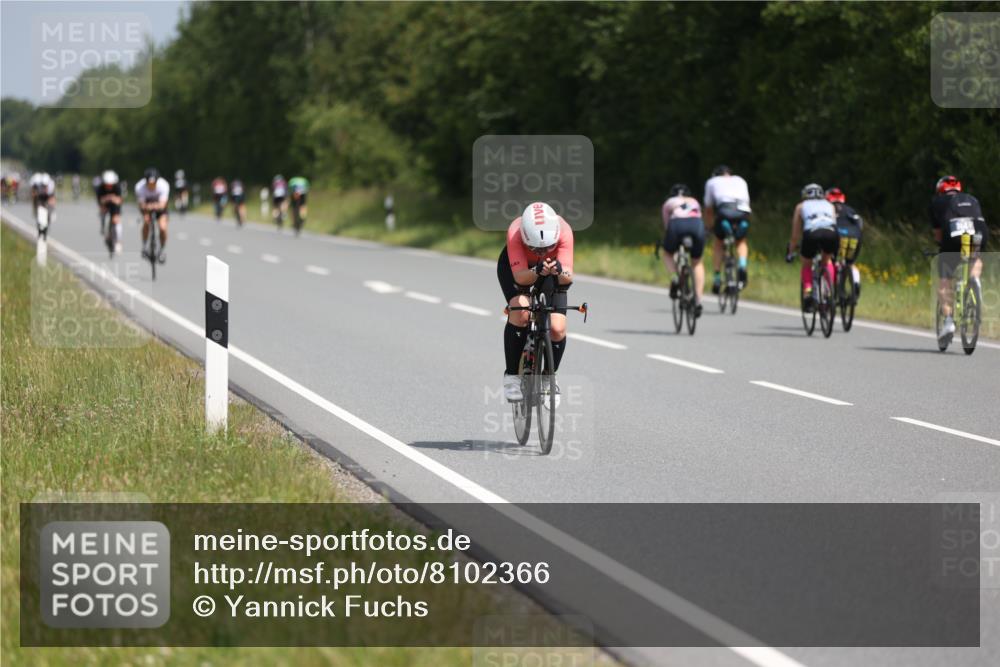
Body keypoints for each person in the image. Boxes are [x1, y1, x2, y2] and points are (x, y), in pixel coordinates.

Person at [498, 202, 574, 401]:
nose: (541, 252)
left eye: (549, 247)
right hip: (519, 269)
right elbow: (521, 278)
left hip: (551, 270)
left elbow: (567, 278)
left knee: (557, 327)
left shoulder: (564, 230)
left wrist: (558, 270)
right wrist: (536, 270)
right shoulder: (515, 231)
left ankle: (549, 377)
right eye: (534, 248)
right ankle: (512, 377)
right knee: (521, 310)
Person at [929, 175, 989, 345]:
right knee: (975, 258)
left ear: (940, 190)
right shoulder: (972, 199)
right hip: (978, 231)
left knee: (944, 280)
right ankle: (974, 279)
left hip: (955, 232)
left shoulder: (937, 202)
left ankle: (948, 321)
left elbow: (939, 236)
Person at [786, 183, 838, 312]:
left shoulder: (800, 206)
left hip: (812, 233)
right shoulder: (830, 205)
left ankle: (808, 291)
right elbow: (834, 224)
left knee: (806, 263)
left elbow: (795, 235)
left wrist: (790, 252)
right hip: (831, 233)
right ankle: (829, 291)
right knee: (827, 260)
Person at [703, 165, 752, 294]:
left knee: (719, 242)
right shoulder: (740, 180)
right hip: (742, 212)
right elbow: (747, 202)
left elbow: (708, 209)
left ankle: (718, 278)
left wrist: (709, 228)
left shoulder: (712, 182)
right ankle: (742, 266)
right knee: (741, 241)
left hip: (725, 211)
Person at [661, 183, 705, 316]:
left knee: (667, 254)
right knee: (696, 261)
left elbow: (667, 225)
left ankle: (675, 277)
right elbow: (699, 216)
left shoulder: (669, 202)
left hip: (676, 225)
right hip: (696, 225)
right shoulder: (694, 201)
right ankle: (698, 300)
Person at [826, 187, 863, 299]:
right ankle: (856, 282)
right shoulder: (850, 210)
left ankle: (829, 291)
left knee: (831, 262)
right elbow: (860, 223)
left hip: (838, 237)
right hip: (855, 237)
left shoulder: (828, 209)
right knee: (849, 263)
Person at [136, 168, 170, 263]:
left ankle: (162, 250)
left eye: (153, 183)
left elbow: (163, 205)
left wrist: (154, 206)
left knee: (163, 228)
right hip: (146, 208)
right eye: (149, 184)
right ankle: (144, 246)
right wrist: (149, 207)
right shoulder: (139, 187)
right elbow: (142, 205)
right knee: (146, 222)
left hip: (160, 209)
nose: (151, 185)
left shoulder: (164, 185)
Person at [97, 170, 124, 254]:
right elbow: (100, 201)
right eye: (107, 184)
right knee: (102, 212)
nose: (108, 186)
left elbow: (119, 200)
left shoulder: (117, 187)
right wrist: (106, 200)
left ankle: (118, 241)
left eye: (110, 185)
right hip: (105, 204)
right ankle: (103, 226)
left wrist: (112, 198)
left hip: (115, 205)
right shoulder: (100, 188)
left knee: (116, 220)